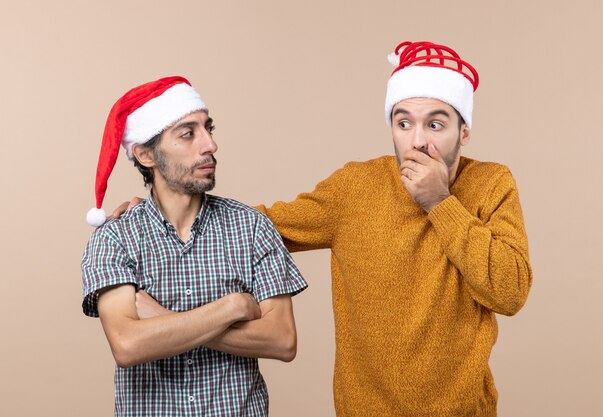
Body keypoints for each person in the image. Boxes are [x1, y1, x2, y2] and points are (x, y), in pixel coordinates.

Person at [115, 41, 532, 416]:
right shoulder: (356, 187)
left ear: (465, 131)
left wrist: (440, 203)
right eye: (403, 123)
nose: (417, 141)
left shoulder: (491, 184)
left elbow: (509, 293)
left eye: (435, 125)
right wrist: (161, 210)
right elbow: (256, 227)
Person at [81, 76, 307, 417]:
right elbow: (128, 344)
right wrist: (232, 307)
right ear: (145, 154)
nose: (210, 145)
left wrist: (163, 320)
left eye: (208, 129)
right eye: (188, 134)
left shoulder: (251, 227)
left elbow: (282, 339)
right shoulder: (116, 237)